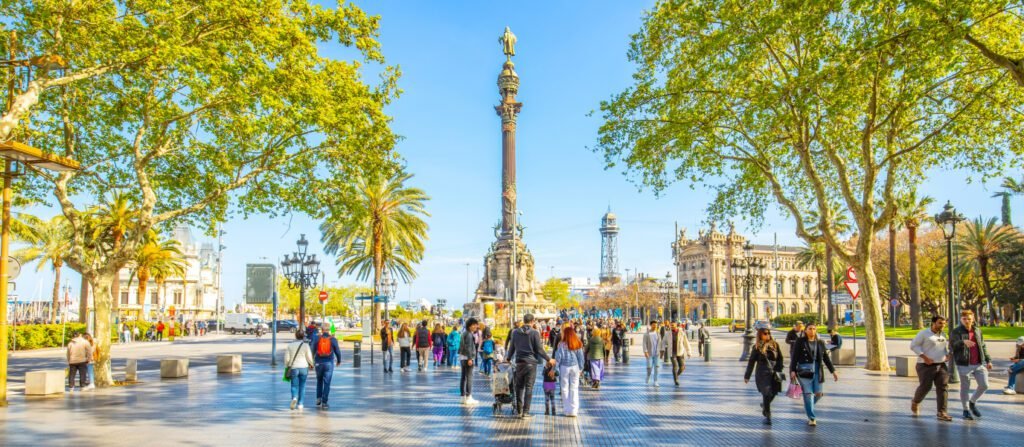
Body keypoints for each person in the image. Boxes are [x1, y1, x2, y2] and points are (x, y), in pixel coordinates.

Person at [506, 313, 556, 418]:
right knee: (529, 387)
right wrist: (548, 359)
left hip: (519, 362)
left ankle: (519, 410)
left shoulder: (515, 332)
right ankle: (526, 412)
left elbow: (512, 347)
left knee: (519, 386)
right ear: (532, 321)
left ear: (523, 321)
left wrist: (508, 358)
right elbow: (539, 349)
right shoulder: (534, 333)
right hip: (531, 363)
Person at [789, 323, 838, 426]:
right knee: (808, 394)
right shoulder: (800, 342)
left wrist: (833, 371)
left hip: (817, 369)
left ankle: (808, 405)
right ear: (806, 330)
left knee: (818, 394)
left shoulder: (820, 343)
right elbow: (794, 357)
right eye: (810, 329)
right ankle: (812, 418)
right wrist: (792, 370)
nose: (812, 331)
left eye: (814, 329)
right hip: (804, 369)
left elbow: (826, 358)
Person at [949, 309, 992, 420]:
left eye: (969, 318)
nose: (967, 321)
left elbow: (982, 346)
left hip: (978, 363)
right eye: (964, 319)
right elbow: (952, 345)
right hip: (964, 364)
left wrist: (988, 360)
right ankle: (966, 410)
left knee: (984, 385)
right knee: (965, 388)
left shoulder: (977, 330)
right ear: (961, 319)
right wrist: (962, 342)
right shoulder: (956, 331)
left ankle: (972, 402)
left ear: (973, 318)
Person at [909, 316, 953, 421]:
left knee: (943, 387)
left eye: (944, 323)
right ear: (933, 323)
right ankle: (915, 401)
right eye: (940, 323)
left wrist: (947, 355)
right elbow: (913, 346)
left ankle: (942, 412)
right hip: (925, 365)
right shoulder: (923, 333)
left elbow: (943, 348)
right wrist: (924, 357)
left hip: (941, 365)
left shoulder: (943, 334)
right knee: (925, 387)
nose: (942, 325)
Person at [744, 323, 784, 425]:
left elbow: (780, 358)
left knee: (774, 392)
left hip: (774, 373)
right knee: (766, 394)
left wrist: (779, 369)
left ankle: (765, 406)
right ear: (760, 335)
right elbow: (751, 362)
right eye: (765, 333)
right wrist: (747, 376)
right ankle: (768, 416)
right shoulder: (757, 347)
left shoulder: (775, 344)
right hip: (762, 373)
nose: (767, 335)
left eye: (769, 333)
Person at [309, 323, 342, 410]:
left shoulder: (316, 338)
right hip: (329, 363)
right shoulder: (333, 339)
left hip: (318, 363)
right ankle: (324, 402)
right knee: (327, 383)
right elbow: (337, 351)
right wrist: (339, 360)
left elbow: (312, 350)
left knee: (319, 380)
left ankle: (318, 398)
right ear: (328, 330)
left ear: (322, 329)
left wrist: (311, 362)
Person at [554, 325, 584, 417]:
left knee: (564, 388)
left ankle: (567, 410)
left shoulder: (561, 344)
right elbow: (581, 357)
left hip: (564, 367)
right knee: (574, 388)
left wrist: (555, 368)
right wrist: (581, 368)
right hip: (575, 367)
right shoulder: (577, 343)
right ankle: (574, 410)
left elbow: (558, 357)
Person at [285, 329, 314, 410]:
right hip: (304, 367)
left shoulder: (290, 345)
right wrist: (311, 364)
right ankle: (300, 404)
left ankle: (294, 397)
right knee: (302, 386)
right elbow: (309, 357)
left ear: (295, 336)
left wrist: (287, 366)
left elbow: (287, 359)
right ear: (303, 336)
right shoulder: (305, 345)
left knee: (294, 385)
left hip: (294, 367)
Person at [663, 320, 692, 387]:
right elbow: (663, 341)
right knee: (675, 366)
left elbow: (686, 342)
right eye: (671, 325)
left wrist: (688, 352)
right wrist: (662, 349)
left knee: (682, 367)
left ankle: (676, 375)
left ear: (676, 325)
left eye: (673, 325)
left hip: (680, 352)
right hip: (672, 352)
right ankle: (676, 380)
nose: (671, 326)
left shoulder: (682, 333)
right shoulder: (667, 333)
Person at [459, 318, 481, 405]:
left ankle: (462, 397)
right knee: (469, 378)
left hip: (462, 358)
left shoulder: (464, 333)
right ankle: (469, 397)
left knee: (463, 378)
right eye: (475, 325)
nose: (476, 326)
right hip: (467, 358)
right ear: (470, 325)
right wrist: (470, 358)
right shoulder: (468, 334)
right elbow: (468, 347)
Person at [643, 321, 663, 387]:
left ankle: (655, 381)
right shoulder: (646, 334)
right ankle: (648, 376)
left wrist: (661, 351)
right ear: (651, 325)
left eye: (656, 325)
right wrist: (645, 351)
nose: (655, 326)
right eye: (653, 325)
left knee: (657, 368)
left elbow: (660, 343)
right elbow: (644, 343)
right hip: (649, 354)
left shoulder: (658, 334)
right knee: (649, 368)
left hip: (657, 354)